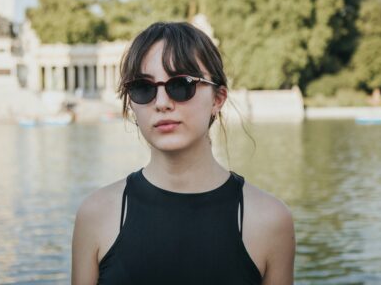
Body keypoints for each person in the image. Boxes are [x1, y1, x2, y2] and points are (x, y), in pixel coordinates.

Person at [72, 22, 295, 285]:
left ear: (217, 98)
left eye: (181, 85)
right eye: (144, 88)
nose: (162, 103)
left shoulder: (270, 220)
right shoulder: (95, 214)